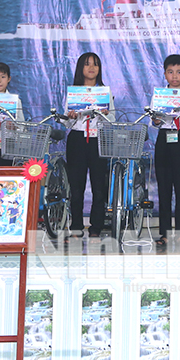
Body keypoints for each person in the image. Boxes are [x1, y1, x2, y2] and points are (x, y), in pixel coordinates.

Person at [151, 54, 180, 250]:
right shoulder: (159, 95)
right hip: (164, 139)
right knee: (163, 189)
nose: (174, 76)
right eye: (170, 72)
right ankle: (164, 233)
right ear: (165, 74)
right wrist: (156, 120)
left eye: (179, 72)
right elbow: (153, 121)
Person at [64, 52, 112, 238]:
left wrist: (105, 115)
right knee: (76, 188)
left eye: (95, 64)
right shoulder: (74, 93)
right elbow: (67, 123)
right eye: (87, 64)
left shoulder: (105, 93)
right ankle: (76, 226)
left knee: (99, 187)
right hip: (77, 140)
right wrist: (70, 117)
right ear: (80, 68)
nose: (91, 68)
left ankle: (96, 228)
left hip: (98, 140)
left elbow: (112, 120)